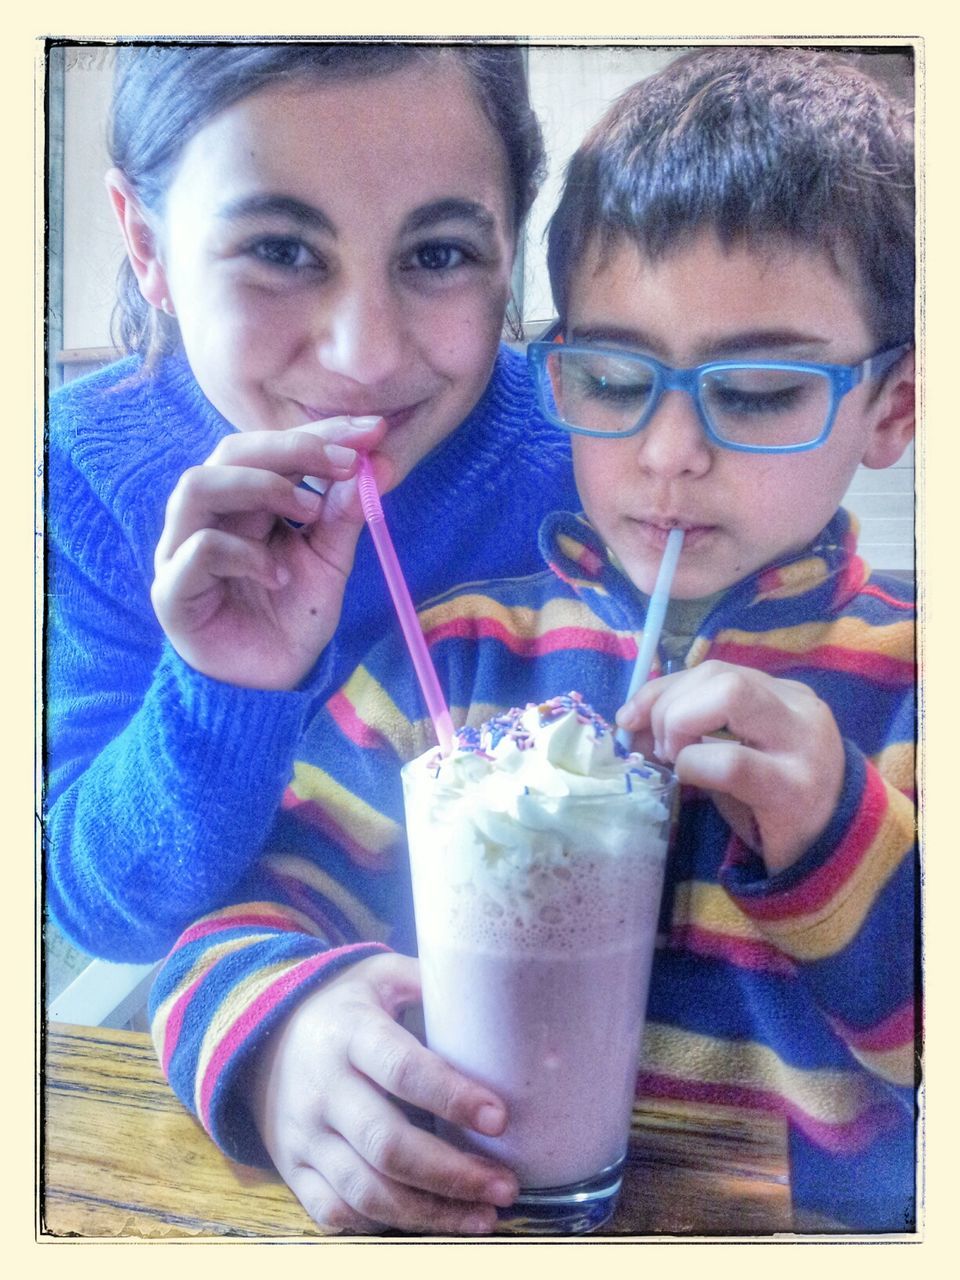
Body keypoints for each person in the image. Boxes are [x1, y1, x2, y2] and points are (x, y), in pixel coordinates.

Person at [148, 47, 917, 1235]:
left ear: (894, 406)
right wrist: (283, 1039)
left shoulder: (918, 690)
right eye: (612, 378)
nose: (668, 452)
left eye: (759, 391)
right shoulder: (458, 659)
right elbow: (234, 926)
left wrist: (839, 835)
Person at [45, 42, 580, 961]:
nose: (365, 357)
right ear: (147, 244)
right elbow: (100, 911)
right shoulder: (84, 468)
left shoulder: (590, 451)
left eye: (439, 254)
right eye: (281, 252)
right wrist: (222, 687)